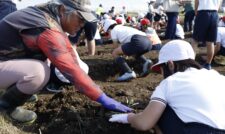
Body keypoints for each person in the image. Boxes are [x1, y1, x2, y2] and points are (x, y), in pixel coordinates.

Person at [0, 0, 131, 124]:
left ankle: (17, 93)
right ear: (63, 10)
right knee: (38, 72)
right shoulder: (46, 27)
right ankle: (5, 108)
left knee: (43, 64)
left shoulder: (48, 16)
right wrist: (102, 98)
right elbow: (70, 69)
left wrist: (90, 85)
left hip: (6, 58)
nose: (83, 24)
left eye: (85, 21)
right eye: (80, 18)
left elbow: (69, 53)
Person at [109, 40, 225, 134]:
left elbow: (144, 123)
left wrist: (129, 118)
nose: (162, 75)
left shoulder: (170, 82)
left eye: (162, 69)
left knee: (158, 114)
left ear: (170, 64)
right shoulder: (217, 76)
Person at [192, 0, 222, 70]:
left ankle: (191, 64)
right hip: (214, 14)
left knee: (195, 41)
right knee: (210, 42)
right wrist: (216, 8)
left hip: (203, 13)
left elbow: (197, 1)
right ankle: (208, 64)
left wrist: (196, 12)